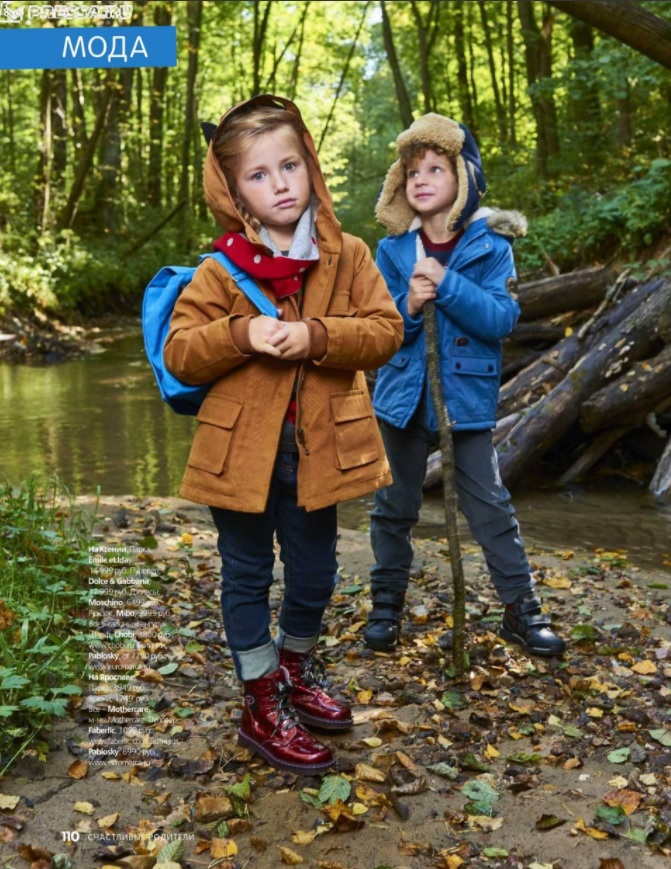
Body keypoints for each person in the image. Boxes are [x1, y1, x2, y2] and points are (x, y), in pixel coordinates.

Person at [163, 95, 403, 775]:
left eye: (290, 166)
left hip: (318, 452)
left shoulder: (347, 255)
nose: (280, 184)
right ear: (234, 193)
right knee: (244, 573)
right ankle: (260, 698)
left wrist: (316, 336)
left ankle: (295, 668)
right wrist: (240, 333)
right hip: (239, 455)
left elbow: (385, 332)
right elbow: (180, 352)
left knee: (315, 570)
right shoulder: (219, 270)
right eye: (259, 175)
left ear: (311, 168)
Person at [364, 113, 566, 658]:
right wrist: (408, 305)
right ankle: (386, 605)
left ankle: (522, 610)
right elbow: (380, 332)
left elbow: (500, 319)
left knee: (491, 508)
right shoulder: (393, 250)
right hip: (402, 400)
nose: (422, 180)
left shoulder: (491, 244)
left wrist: (446, 283)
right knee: (392, 506)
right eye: (412, 172)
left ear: (464, 179)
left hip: (466, 403)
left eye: (436, 169)